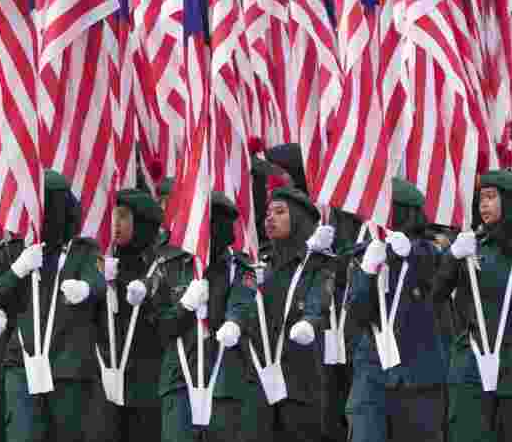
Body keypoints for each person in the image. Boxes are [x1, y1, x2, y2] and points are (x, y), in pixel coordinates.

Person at [435, 170, 512, 442]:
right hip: (472, 368)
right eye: (481, 198)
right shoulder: (472, 248)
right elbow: (436, 293)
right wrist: (452, 258)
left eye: (492, 197)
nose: (483, 204)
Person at [0, 171, 107, 442]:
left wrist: (84, 289)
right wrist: (18, 269)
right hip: (22, 363)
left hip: (67, 365)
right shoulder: (15, 250)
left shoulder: (83, 250)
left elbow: (97, 282)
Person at [143, 192, 257, 442]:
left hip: (224, 378)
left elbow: (243, 303)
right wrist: (184, 306)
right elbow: (158, 325)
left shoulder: (240, 268)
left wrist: (233, 323)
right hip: (179, 379)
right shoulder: (170, 266)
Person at [345, 178, 447, 442]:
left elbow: (439, 287)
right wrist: (367, 272)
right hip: (372, 370)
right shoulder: (366, 253)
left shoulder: (430, 253)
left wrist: (412, 257)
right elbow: (356, 313)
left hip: (417, 372)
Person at [244, 187, 334, 441]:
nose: (270, 218)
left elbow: (320, 302)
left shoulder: (317, 263)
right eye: (268, 213)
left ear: (298, 218)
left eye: (280, 212)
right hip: (261, 379)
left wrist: (309, 321)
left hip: (300, 380)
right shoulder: (261, 263)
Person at [101, 188, 164, 442]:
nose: (115, 224)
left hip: (145, 379)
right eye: (114, 216)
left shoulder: (158, 263)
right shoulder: (105, 262)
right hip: (108, 375)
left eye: (124, 217)